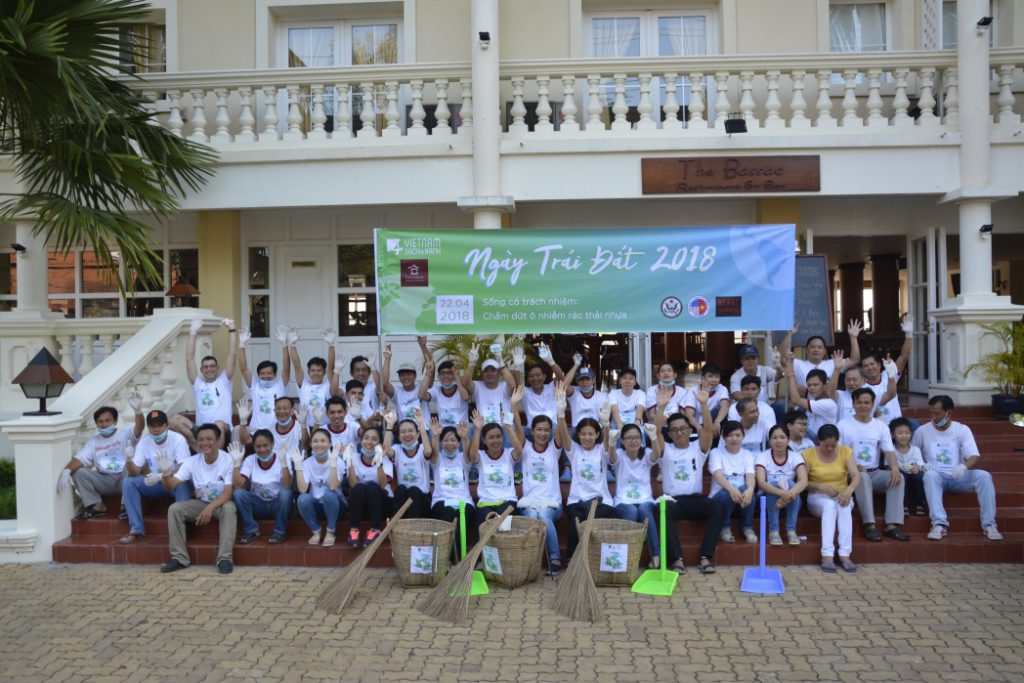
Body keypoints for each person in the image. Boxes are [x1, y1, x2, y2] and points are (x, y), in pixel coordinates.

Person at [913, 395, 1002, 542]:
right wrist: (922, 465)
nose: (933, 417)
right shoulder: (922, 431)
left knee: (984, 476)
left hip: (958, 475)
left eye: (937, 413)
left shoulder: (962, 430)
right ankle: (939, 524)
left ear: (949, 413)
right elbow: (913, 453)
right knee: (930, 476)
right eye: (931, 413)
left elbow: (974, 455)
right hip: (936, 475)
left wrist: (963, 466)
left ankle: (989, 525)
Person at [659, 390, 724, 574]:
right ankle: (677, 560)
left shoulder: (698, 447)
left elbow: (709, 430)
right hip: (673, 501)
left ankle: (705, 557)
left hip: (695, 500)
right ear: (670, 434)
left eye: (683, 428)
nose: (679, 432)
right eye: (674, 430)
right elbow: (655, 432)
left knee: (717, 507)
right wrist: (661, 407)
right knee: (662, 510)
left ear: (690, 430)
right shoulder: (666, 449)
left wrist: (703, 405)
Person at [554, 380, 619, 560]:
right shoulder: (574, 449)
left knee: (597, 520)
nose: (587, 437)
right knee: (576, 522)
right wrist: (560, 412)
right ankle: (573, 560)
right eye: (583, 434)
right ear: (578, 435)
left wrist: (606, 423)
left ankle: (594, 559)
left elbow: (608, 444)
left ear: (596, 435)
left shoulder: (601, 449)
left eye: (591, 434)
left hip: (601, 500)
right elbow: (564, 434)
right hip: (578, 499)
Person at [159, 423, 236, 574]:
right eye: (201, 440)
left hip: (221, 504)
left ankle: (224, 559)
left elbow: (228, 493)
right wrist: (166, 473)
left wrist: (210, 508)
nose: (204, 443)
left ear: (218, 440)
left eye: (209, 439)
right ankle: (179, 558)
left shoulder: (227, 460)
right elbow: (170, 485)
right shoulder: (192, 462)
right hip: (201, 503)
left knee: (229, 507)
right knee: (174, 509)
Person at [838, 387, 908, 542]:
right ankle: (869, 525)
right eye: (860, 402)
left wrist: (895, 468)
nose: (863, 406)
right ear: (853, 403)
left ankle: (892, 525)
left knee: (898, 478)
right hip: (851, 474)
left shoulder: (880, 425)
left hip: (875, 472)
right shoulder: (842, 425)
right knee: (861, 477)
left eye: (867, 403)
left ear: (872, 404)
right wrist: (852, 466)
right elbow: (837, 454)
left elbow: (889, 452)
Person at [57, 396, 143, 520]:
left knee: (130, 466)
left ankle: (126, 507)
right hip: (104, 481)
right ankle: (97, 506)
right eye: (100, 421)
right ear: (96, 423)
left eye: (107, 420)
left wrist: (138, 411)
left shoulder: (125, 433)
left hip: (124, 478)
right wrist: (67, 471)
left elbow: (139, 428)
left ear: (116, 421)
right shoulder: (93, 441)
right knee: (78, 472)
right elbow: (80, 459)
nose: (104, 424)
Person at [610, 391, 667, 568]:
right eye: (629, 438)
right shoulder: (619, 455)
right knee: (631, 512)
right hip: (622, 500)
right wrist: (611, 443)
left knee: (643, 509)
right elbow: (611, 458)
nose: (633, 441)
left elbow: (657, 454)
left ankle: (656, 556)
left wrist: (654, 437)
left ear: (641, 440)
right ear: (623, 441)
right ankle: (624, 556)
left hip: (645, 499)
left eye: (636, 437)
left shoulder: (646, 454)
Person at [119, 410, 192, 545]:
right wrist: (128, 460)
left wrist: (161, 475)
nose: (157, 429)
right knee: (129, 482)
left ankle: (181, 530)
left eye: (160, 425)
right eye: (153, 426)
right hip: (155, 485)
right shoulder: (144, 442)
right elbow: (135, 471)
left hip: (173, 482)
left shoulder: (178, 439)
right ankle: (136, 530)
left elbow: (184, 467)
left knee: (183, 483)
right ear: (148, 427)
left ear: (167, 426)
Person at [171, 316, 237, 449]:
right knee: (173, 419)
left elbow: (232, 354)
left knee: (218, 424)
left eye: (212, 366)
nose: (209, 369)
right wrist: (193, 332)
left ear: (217, 368)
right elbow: (189, 359)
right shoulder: (198, 384)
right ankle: (196, 447)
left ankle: (216, 458)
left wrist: (232, 330)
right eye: (206, 367)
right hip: (201, 430)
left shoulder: (224, 381)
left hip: (222, 430)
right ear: (201, 370)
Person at [803, 424, 861, 573]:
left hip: (841, 495)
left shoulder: (845, 451)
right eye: (826, 445)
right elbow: (802, 482)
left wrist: (849, 491)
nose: (829, 449)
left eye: (833, 445)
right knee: (829, 506)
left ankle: (845, 554)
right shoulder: (808, 454)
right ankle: (827, 554)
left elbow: (856, 476)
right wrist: (821, 487)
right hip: (817, 497)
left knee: (844, 506)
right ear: (818, 441)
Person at [467, 388, 525, 527]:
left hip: (507, 501)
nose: (495, 440)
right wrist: (477, 429)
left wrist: (509, 428)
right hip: (485, 503)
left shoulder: (508, 454)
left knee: (503, 527)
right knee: (483, 527)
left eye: (498, 436)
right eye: (491, 437)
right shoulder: (481, 456)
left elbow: (519, 450)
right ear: (484, 441)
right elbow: (472, 455)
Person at [516, 412, 565, 574]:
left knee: (543, 516)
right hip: (529, 502)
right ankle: (531, 560)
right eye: (539, 429)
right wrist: (515, 405)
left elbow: (561, 427)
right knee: (531, 515)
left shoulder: (554, 450)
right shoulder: (525, 448)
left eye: (546, 430)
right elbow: (517, 426)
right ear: (531, 431)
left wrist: (560, 408)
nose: (543, 433)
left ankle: (554, 558)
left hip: (552, 503)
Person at [231, 429, 293, 545]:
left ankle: (279, 531)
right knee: (238, 493)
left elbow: (288, 484)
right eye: (258, 446)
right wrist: (236, 464)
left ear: (272, 444)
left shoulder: (283, 457)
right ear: (254, 447)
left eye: (266, 445)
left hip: (277, 505)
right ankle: (251, 530)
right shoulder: (250, 460)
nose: (262, 449)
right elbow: (238, 485)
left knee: (286, 493)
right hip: (258, 505)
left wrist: (284, 462)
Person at [855, 316, 914, 424]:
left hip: (896, 426)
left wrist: (909, 334)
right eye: (866, 366)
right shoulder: (862, 387)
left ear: (879, 365)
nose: (869, 368)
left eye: (872, 364)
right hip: (877, 427)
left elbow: (904, 356)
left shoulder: (889, 375)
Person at [755, 425, 808, 545]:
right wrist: (782, 493)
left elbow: (803, 481)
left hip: (791, 502)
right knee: (776, 483)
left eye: (782, 437)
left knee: (790, 483)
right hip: (766, 501)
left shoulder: (795, 456)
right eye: (774, 438)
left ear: (788, 439)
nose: (778, 441)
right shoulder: (762, 457)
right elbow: (762, 483)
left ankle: (791, 531)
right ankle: (773, 531)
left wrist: (787, 495)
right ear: (769, 441)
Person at [780, 320, 862, 395]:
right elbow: (781, 358)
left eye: (819, 347)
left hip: (827, 404)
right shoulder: (797, 364)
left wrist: (853, 338)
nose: (816, 349)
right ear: (807, 350)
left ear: (824, 351)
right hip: (804, 405)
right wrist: (788, 335)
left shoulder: (833, 364)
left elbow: (854, 360)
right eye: (813, 347)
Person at [708, 420, 757, 544]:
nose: (734, 439)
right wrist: (731, 489)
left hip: (740, 499)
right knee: (726, 492)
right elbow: (718, 477)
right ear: (724, 438)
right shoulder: (715, 453)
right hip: (720, 498)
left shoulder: (747, 455)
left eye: (738, 435)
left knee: (747, 489)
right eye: (730, 435)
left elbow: (750, 475)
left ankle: (748, 528)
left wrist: (750, 489)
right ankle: (724, 528)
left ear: (743, 437)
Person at [295, 428, 345, 547]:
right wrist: (298, 466)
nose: (319, 444)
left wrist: (332, 463)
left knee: (329, 493)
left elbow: (333, 486)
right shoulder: (307, 463)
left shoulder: (338, 461)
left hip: (336, 505)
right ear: (311, 444)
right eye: (315, 441)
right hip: (317, 505)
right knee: (302, 499)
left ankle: (330, 531)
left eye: (323, 441)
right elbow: (302, 489)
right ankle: (316, 531)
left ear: (330, 443)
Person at [237, 324, 291, 432]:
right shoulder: (255, 386)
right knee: (236, 430)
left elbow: (286, 369)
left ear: (275, 375)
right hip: (256, 431)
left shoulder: (280, 386)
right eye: (262, 373)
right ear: (258, 375)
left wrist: (284, 345)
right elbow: (243, 368)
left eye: (269, 373)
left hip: (277, 431)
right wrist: (241, 344)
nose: (266, 376)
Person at [347, 424, 392, 547]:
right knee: (360, 487)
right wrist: (350, 463)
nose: (369, 442)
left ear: (379, 443)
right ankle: (354, 531)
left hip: (381, 506)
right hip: (361, 506)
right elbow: (353, 485)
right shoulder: (354, 458)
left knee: (372, 486)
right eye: (366, 438)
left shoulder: (385, 459)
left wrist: (379, 463)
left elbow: (383, 485)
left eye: (374, 439)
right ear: (361, 440)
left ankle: (375, 530)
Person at [386, 408, 433, 519]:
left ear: (417, 434)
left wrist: (421, 423)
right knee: (401, 489)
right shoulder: (397, 449)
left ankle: (412, 528)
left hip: (422, 500)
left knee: (413, 491)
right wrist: (389, 425)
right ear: (399, 437)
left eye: (411, 431)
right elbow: (386, 449)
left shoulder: (422, 448)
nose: (407, 434)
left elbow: (429, 451)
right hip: (404, 500)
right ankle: (397, 527)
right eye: (403, 432)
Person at [824, 351, 896, 423]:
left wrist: (890, 374)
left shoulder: (871, 396)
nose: (851, 383)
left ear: (863, 380)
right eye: (848, 380)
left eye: (854, 380)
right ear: (844, 381)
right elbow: (830, 391)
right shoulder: (840, 396)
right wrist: (837, 369)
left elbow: (891, 394)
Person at [429, 420, 474, 527]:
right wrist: (435, 436)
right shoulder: (438, 459)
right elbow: (434, 452)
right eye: (446, 440)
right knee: (448, 515)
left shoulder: (463, 458)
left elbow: (468, 452)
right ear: (441, 443)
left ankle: (457, 544)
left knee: (462, 519)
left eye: (453, 440)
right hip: (441, 501)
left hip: (464, 502)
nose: (449, 443)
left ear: (458, 443)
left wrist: (464, 437)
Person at [290, 326, 336, 430]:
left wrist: (331, 345)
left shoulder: (328, 384)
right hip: (305, 427)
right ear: (309, 372)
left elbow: (331, 367)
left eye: (319, 370)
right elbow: (297, 366)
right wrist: (292, 345)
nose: (316, 373)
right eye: (313, 370)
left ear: (324, 372)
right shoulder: (304, 384)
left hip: (325, 427)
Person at [783, 359, 837, 442]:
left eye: (815, 385)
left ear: (825, 385)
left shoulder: (828, 404)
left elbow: (795, 399)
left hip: (821, 442)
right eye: (809, 385)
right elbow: (796, 389)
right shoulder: (812, 400)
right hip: (810, 442)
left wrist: (791, 375)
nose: (811, 388)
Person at [521, 341, 566, 436]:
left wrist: (551, 361)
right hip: (532, 431)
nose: (535, 378)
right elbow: (515, 385)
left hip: (551, 430)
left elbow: (561, 378)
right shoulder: (526, 392)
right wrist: (517, 367)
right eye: (531, 376)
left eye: (538, 375)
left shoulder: (551, 388)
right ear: (528, 379)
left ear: (544, 377)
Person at [382, 341, 431, 422]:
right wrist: (387, 358)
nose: (406, 377)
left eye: (409, 374)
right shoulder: (397, 391)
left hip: (424, 430)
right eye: (402, 375)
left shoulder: (422, 387)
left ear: (415, 376)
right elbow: (385, 383)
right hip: (405, 431)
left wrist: (423, 346)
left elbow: (430, 371)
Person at [421, 358, 470, 430]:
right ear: (438, 377)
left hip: (462, 432)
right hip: (444, 434)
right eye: (443, 373)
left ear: (454, 375)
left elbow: (466, 397)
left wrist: (457, 376)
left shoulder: (461, 389)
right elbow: (421, 395)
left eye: (449, 373)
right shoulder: (436, 390)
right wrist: (428, 373)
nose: (446, 376)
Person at [890, 417, 926, 517]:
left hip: (913, 473)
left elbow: (920, 464)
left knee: (919, 477)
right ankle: (903, 505)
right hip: (901, 473)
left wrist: (917, 468)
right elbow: (887, 465)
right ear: (893, 435)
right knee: (902, 477)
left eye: (907, 433)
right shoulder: (891, 450)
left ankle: (920, 504)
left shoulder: (915, 449)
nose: (904, 436)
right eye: (900, 433)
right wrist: (898, 468)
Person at [683, 363, 730, 435]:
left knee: (717, 413)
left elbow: (725, 407)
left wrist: (717, 422)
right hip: (697, 425)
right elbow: (689, 414)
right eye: (710, 376)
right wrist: (698, 428)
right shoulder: (693, 391)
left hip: (715, 424)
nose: (714, 380)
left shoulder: (722, 388)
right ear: (702, 378)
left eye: (717, 377)